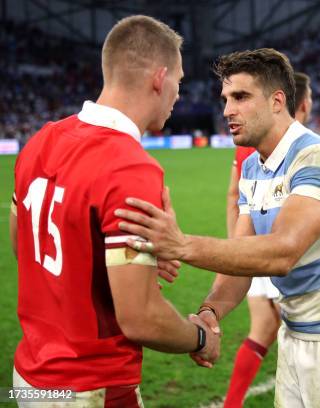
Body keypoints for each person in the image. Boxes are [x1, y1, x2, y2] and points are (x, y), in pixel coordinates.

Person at [115, 48, 320, 407]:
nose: (228, 110)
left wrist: (181, 245)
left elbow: (283, 251)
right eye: (226, 99)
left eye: (241, 97)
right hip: (295, 338)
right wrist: (210, 311)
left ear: (277, 101)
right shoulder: (253, 168)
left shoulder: (318, 159)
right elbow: (242, 264)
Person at [9, 15, 219, 407]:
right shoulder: (130, 167)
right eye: (179, 80)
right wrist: (201, 338)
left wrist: (123, 266)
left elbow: (28, 250)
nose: (178, 94)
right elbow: (140, 318)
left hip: (31, 380)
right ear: (159, 78)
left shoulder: (39, 141)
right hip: (92, 385)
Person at [223, 71, 312, 407]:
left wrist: (237, 249)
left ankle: (232, 403)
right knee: (300, 331)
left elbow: (233, 196)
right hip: (279, 250)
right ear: (299, 103)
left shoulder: (249, 147)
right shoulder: (296, 150)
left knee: (263, 329)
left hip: (253, 248)